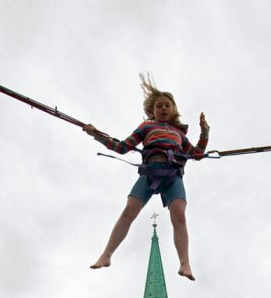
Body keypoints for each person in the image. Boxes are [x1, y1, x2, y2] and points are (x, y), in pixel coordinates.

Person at [83, 74, 210, 281]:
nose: (163, 108)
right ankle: (106, 254)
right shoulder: (146, 128)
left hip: (173, 176)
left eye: (167, 105)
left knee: (179, 215)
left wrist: (204, 133)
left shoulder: (180, 134)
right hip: (150, 173)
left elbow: (197, 154)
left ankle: (185, 263)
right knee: (129, 211)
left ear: (173, 110)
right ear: (152, 111)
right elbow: (122, 147)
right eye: (159, 106)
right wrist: (97, 135)